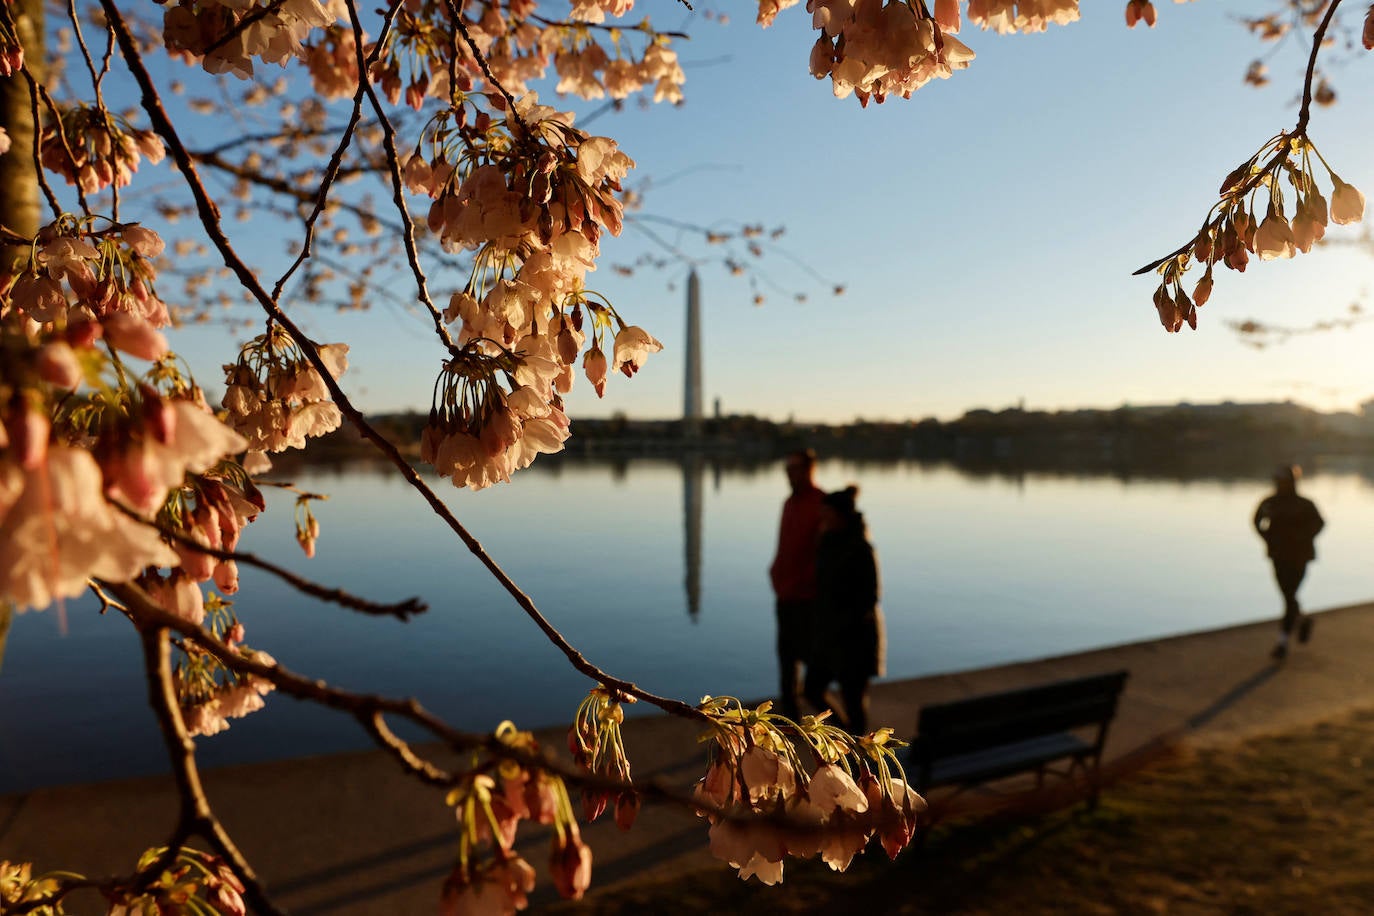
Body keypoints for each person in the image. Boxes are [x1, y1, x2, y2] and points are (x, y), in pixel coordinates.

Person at [804, 485, 885, 736]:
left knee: (855, 701)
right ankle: (844, 733)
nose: (822, 517)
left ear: (840, 515)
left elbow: (870, 597)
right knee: (811, 689)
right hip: (828, 637)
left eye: (826, 512)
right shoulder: (827, 542)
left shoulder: (861, 548)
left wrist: (841, 624)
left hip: (855, 640)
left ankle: (859, 753)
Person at [768, 449, 824, 721]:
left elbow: (825, 556)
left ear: (810, 469)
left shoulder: (821, 505)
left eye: (794, 468)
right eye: (786, 468)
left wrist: (807, 582)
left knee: (813, 673)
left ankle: (846, 734)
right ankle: (789, 725)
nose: (789, 474)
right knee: (786, 665)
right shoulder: (789, 503)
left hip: (808, 602)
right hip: (785, 597)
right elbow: (784, 547)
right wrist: (776, 573)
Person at [1253, 465, 1325, 661]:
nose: (1281, 485)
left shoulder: (1305, 504)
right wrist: (1267, 538)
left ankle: (1282, 643)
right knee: (1288, 595)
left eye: (1284, 481)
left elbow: (1319, 523)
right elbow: (1256, 521)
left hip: (1300, 556)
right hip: (1278, 555)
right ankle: (1302, 620)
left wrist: (1303, 537)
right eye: (1279, 481)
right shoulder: (1269, 503)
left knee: (1289, 595)